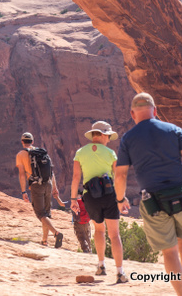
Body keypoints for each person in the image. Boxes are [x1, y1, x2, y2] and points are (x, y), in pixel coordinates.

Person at [114, 93, 182, 296]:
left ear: (133, 113)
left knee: (170, 251)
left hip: (153, 202)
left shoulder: (128, 138)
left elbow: (120, 175)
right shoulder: (174, 130)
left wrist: (120, 199)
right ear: (155, 110)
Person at [70, 121, 128, 284]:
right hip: (109, 196)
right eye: (108, 136)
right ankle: (120, 273)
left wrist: (74, 199)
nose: (109, 139)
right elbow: (118, 178)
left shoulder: (80, 152)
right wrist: (122, 198)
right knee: (114, 234)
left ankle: (101, 266)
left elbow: (76, 177)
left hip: (90, 196)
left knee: (99, 230)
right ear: (102, 135)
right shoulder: (110, 153)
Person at [16, 132, 64, 248]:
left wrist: (23, 191)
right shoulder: (42, 152)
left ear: (22, 142)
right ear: (32, 141)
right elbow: (51, 172)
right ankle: (44, 241)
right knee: (46, 214)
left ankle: (56, 233)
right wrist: (55, 188)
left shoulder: (21, 154)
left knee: (41, 214)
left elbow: (22, 175)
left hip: (36, 185)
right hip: (48, 184)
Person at [71, 189, 92, 253]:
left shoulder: (73, 202)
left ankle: (85, 249)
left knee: (81, 236)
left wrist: (57, 198)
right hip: (86, 221)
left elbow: (62, 204)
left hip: (78, 222)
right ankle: (90, 250)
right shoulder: (86, 201)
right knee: (87, 236)